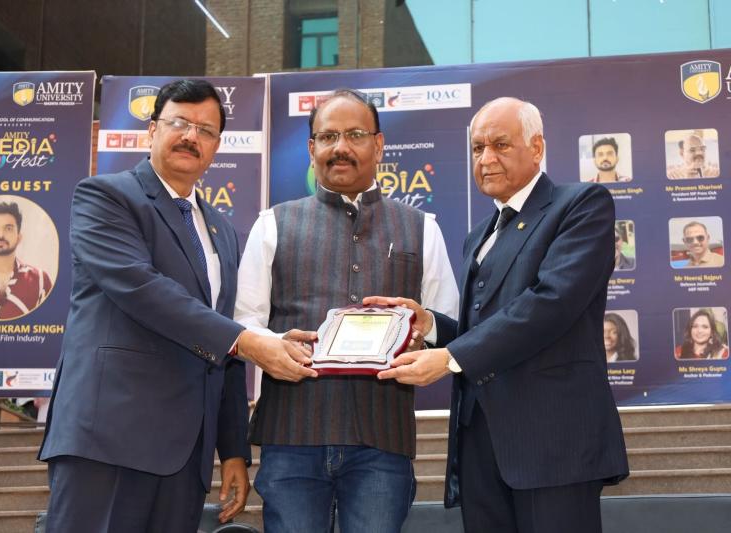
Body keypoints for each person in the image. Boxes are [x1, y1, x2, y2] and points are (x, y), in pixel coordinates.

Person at [38, 79, 316, 533]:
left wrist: (232, 450)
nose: (191, 137)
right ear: (152, 130)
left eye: (205, 130)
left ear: (216, 146)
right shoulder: (105, 196)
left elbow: (222, 338)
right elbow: (141, 289)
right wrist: (248, 342)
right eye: (180, 123)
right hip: (108, 438)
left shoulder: (223, 232)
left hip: (186, 456)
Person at [365, 97, 628, 533]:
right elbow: (483, 331)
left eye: (500, 145)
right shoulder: (478, 235)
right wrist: (431, 325)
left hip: (553, 444)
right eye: (477, 148)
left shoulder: (581, 205)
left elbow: (551, 303)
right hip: (480, 445)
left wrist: (449, 359)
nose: (486, 158)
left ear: (537, 148)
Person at [234, 88, 459, 533]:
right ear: (311, 148)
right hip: (291, 437)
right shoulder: (272, 224)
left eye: (355, 135)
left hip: (383, 441)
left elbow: (446, 326)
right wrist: (277, 348)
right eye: (328, 136)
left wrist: (422, 331)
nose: (341, 147)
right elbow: (244, 323)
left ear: (379, 145)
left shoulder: (422, 228)